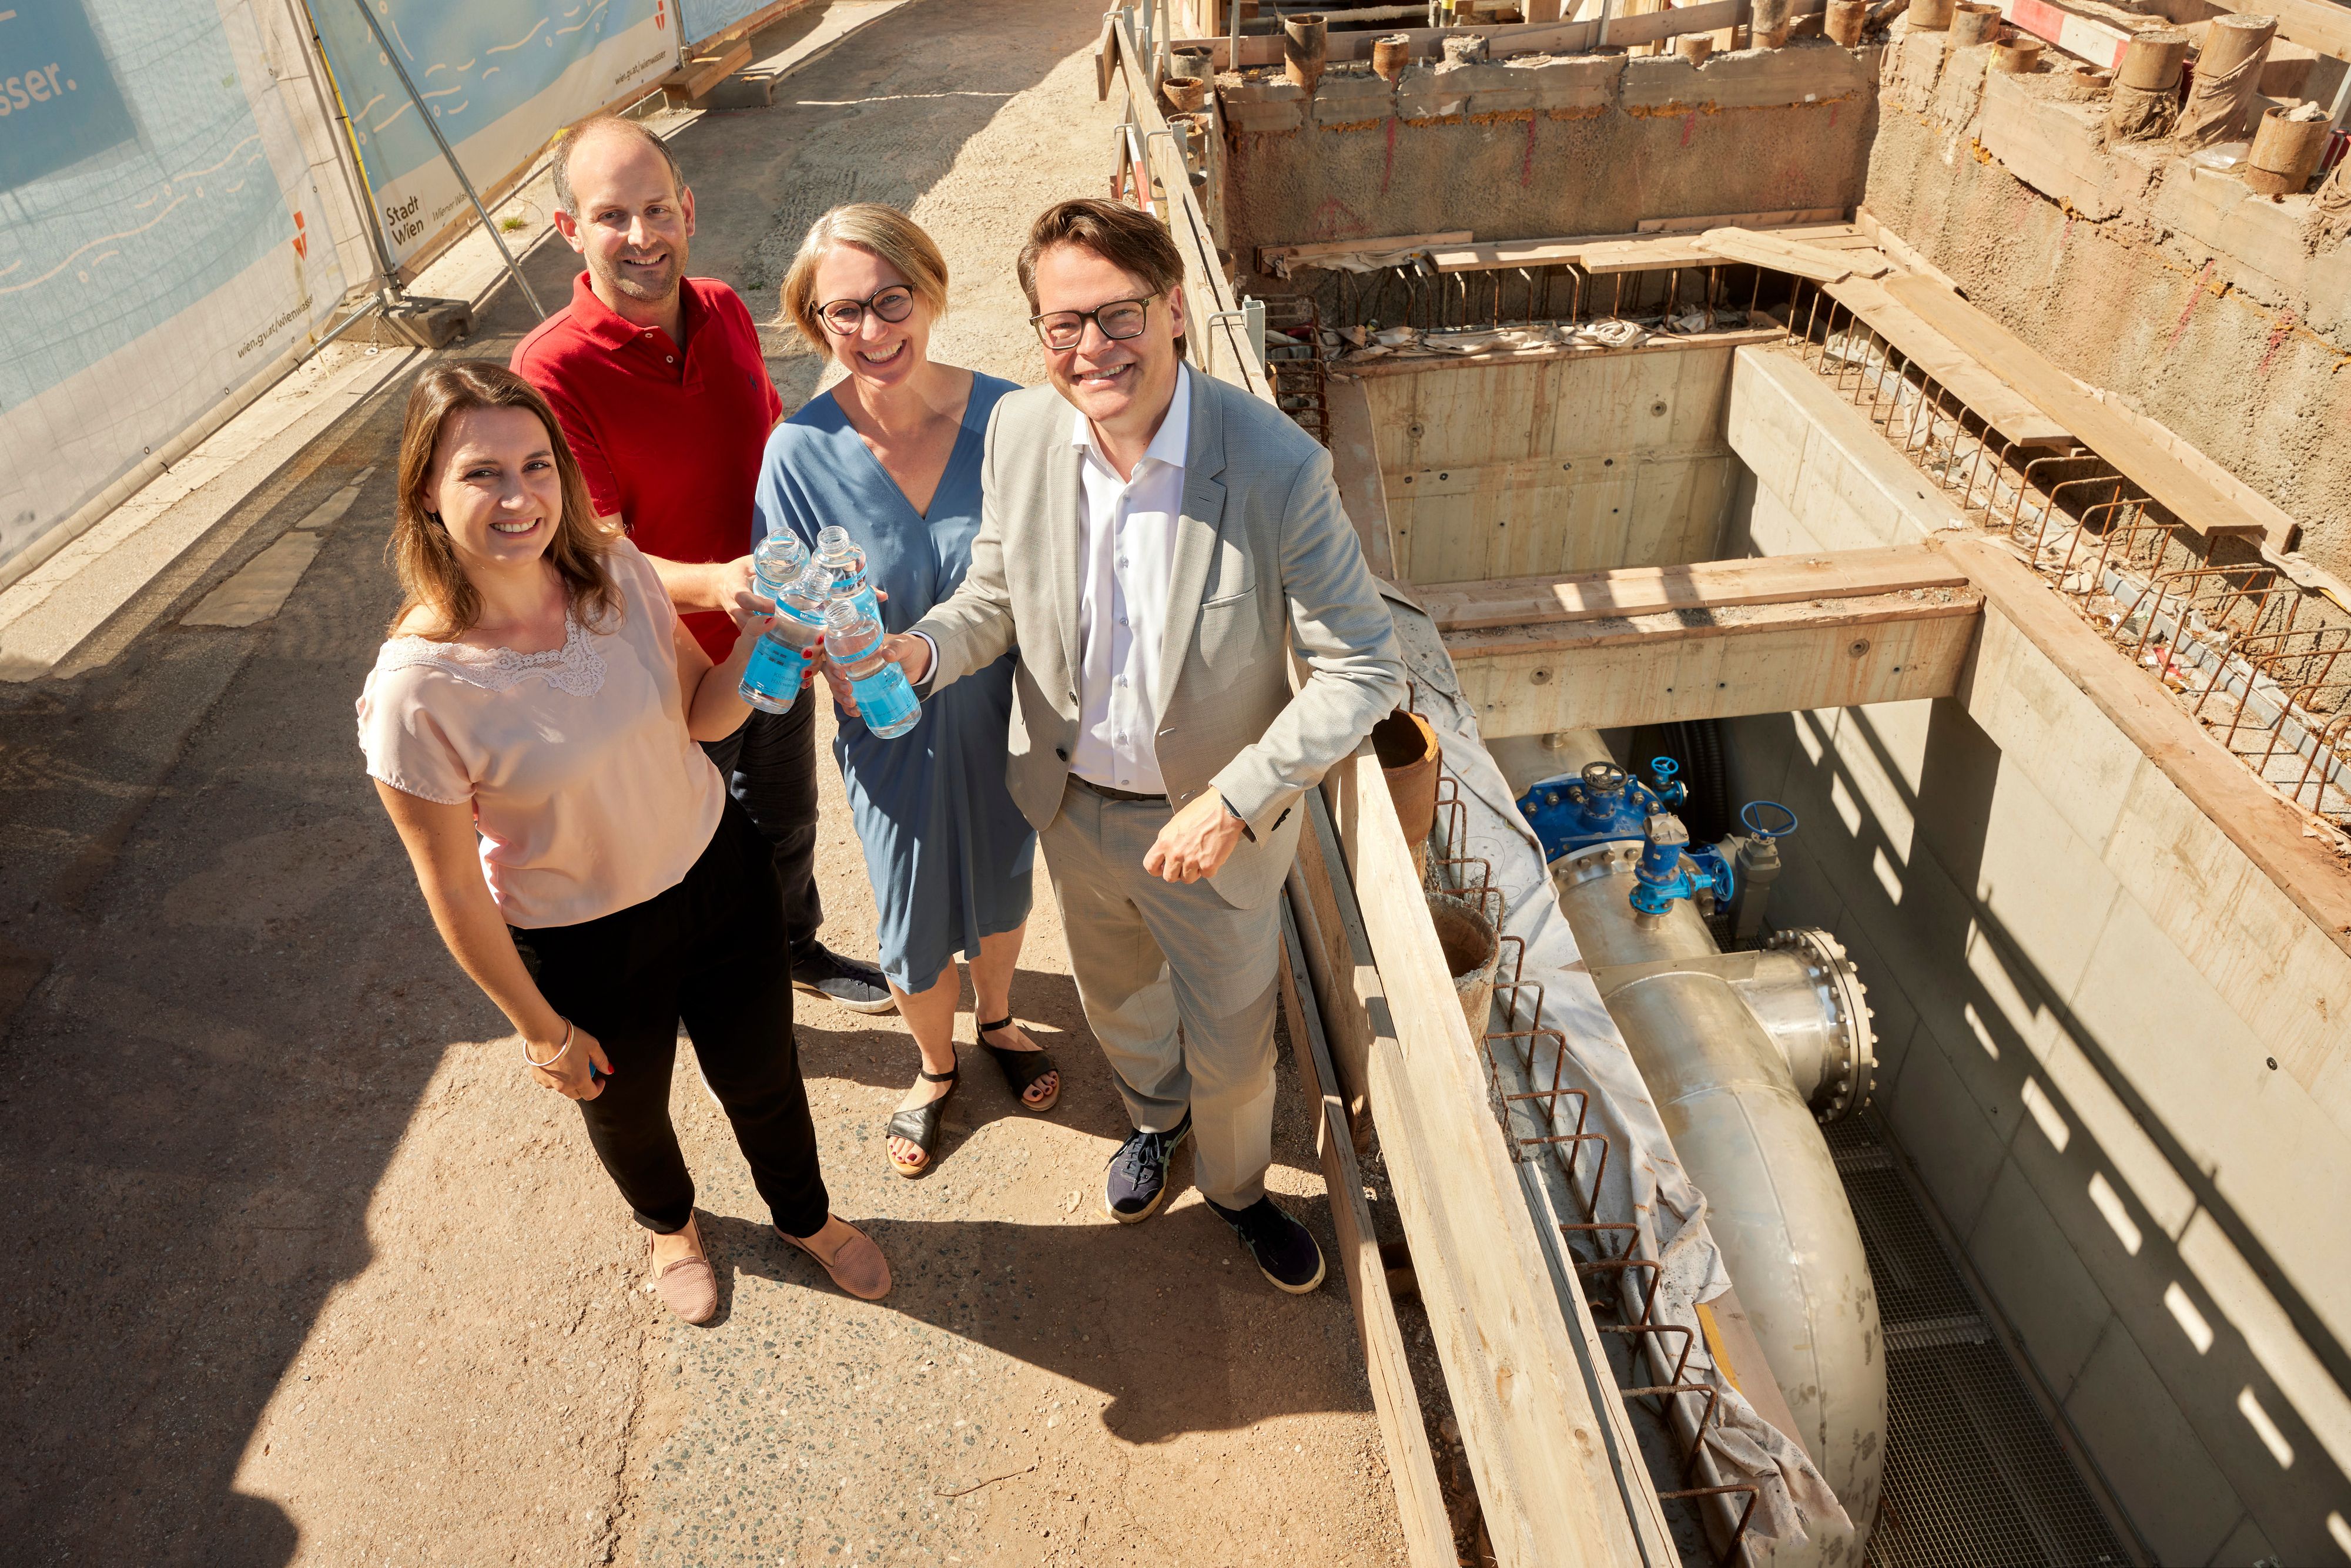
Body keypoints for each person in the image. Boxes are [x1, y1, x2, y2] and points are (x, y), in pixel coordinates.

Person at [861, 199, 1405, 1293]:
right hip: (1071, 805)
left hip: (1216, 832)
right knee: (1118, 999)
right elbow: (998, 596)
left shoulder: (1273, 467)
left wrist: (1238, 798)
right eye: (1062, 326)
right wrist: (919, 654)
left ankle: (1244, 1190)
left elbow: (1365, 668)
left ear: (1175, 311)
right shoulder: (1023, 433)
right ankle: (1156, 1122)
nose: (1091, 349)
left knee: (1238, 1041)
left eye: (1116, 316)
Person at [357, 361, 890, 1325]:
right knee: (627, 1110)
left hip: (720, 877)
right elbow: (451, 889)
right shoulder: (416, 687)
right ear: (428, 498)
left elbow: (700, 717)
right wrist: (540, 1030)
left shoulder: (618, 574)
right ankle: (671, 1225)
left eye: (536, 466)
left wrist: (767, 650)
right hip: (582, 937)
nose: (519, 497)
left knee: (766, 1076)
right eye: (482, 474)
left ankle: (804, 1216)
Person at [510, 115, 891, 1014]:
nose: (640, 238)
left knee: (788, 816)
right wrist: (717, 582)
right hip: (665, 667)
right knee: (688, 844)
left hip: (776, 635)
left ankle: (795, 948)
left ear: (688, 210)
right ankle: (717, 993)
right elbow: (592, 551)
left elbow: (775, 434)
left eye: (655, 210)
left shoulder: (720, 307)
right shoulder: (552, 371)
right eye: (612, 217)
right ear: (571, 230)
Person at [758, 205, 1059, 1178]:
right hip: (883, 727)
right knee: (909, 902)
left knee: (1006, 876)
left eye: (892, 300)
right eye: (842, 312)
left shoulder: (1012, 417)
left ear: (929, 292)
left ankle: (1001, 1020)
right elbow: (785, 599)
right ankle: (934, 1070)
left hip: (1007, 711)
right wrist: (811, 640)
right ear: (815, 324)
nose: (872, 331)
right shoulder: (798, 453)